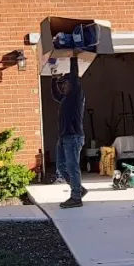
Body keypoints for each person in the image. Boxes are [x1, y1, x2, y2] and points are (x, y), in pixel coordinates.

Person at [51, 54, 88, 208]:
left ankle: (76, 197)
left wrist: (74, 58)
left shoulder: (76, 95)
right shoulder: (66, 98)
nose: (63, 86)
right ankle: (78, 189)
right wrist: (53, 80)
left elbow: (74, 77)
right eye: (62, 84)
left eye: (65, 84)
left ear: (72, 84)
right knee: (61, 166)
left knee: (72, 166)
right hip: (64, 137)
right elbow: (56, 95)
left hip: (73, 137)